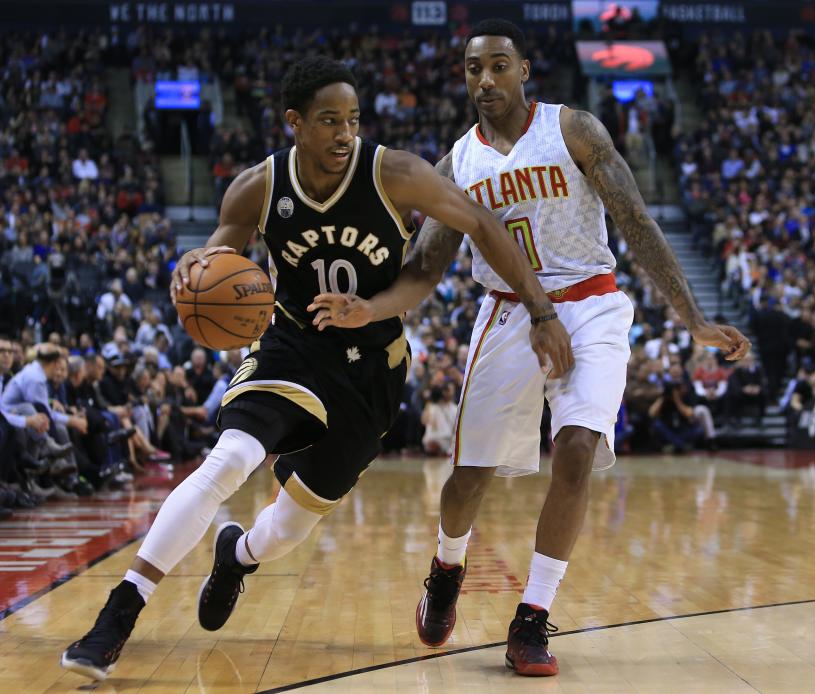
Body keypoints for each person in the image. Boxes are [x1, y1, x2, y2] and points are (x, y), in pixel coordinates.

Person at [60, 55, 572, 682]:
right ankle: (121, 609)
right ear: (295, 122)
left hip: (370, 368)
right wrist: (192, 273)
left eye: (352, 120)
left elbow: (482, 223)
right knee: (228, 460)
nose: (343, 134)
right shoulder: (257, 186)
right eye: (329, 121)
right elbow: (217, 262)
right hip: (291, 347)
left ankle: (239, 556)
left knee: (291, 524)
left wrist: (536, 311)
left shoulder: (394, 174)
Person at [312, 19, 750, 677]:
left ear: (523, 70)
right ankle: (445, 567)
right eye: (471, 69)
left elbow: (634, 220)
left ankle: (533, 617)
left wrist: (692, 319)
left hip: (592, 301)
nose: (484, 79)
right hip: (508, 313)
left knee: (575, 449)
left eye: (497, 65)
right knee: (470, 478)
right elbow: (427, 269)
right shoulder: (458, 162)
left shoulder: (574, 129)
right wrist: (368, 307)